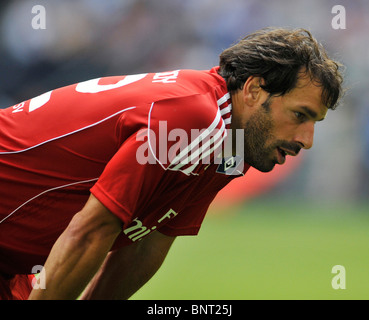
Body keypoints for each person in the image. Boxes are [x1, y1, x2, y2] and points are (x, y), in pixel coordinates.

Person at [0, 27, 343, 300]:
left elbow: (150, 240)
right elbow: (91, 230)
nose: (306, 139)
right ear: (253, 90)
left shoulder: (232, 143)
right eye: (300, 115)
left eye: (315, 123)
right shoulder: (194, 118)